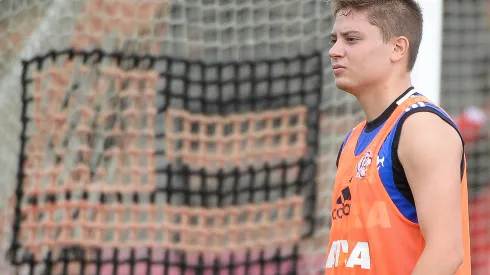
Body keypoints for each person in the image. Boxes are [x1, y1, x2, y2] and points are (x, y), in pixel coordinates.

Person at [324, 0, 471, 274]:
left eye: (351, 39)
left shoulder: (420, 127)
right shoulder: (352, 142)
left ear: (397, 48)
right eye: (334, 39)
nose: (334, 50)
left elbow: (446, 253)